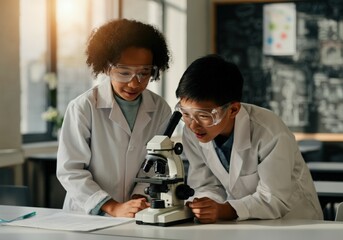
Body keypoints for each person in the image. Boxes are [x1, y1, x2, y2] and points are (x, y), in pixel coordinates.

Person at [175, 54, 323, 223]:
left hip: (295, 222)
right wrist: (205, 205)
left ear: (233, 110)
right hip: (244, 223)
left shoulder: (269, 131)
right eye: (185, 114)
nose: (193, 125)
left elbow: (274, 199)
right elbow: (205, 184)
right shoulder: (193, 133)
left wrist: (225, 210)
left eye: (204, 115)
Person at [57, 19, 171, 218]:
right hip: (88, 216)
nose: (134, 83)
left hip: (137, 212)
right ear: (106, 67)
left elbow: (156, 164)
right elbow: (71, 171)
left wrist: (137, 202)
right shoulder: (84, 107)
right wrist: (112, 207)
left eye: (144, 73)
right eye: (124, 72)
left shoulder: (160, 109)